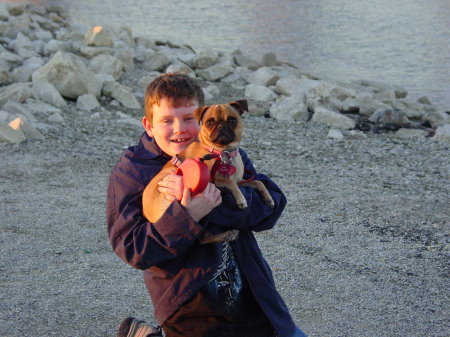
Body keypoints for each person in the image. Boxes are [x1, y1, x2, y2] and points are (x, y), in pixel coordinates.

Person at [106, 73, 307, 337]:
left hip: (254, 295)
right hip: (189, 306)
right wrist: (186, 215)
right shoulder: (133, 172)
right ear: (149, 125)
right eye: (167, 120)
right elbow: (133, 249)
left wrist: (211, 200)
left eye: (189, 119)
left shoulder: (227, 153)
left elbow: (270, 210)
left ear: (201, 119)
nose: (179, 129)